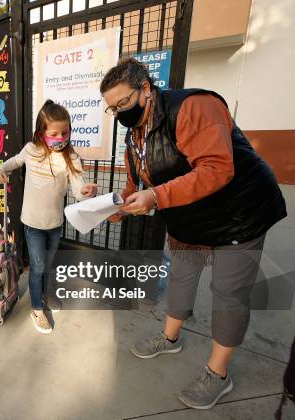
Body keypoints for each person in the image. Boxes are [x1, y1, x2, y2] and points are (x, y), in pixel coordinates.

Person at [100, 58, 286, 410]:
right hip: (188, 217)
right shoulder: (134, 133)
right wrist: (118, 206)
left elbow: (217, 169)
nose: (120, 112)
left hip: (239, 214)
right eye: (113, 108)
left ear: (146, 89)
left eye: (123, 103)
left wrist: (156, 197)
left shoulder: (193, 107)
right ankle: (170, 337)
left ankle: (218, 374)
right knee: (182, 277)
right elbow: (138, 183)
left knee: (228, 294)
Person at [0, 100, 98, 334]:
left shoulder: (71, 158)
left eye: (65, 132)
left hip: (54, 225)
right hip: (32, 224)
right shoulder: (31, 150)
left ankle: (44, 294)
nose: (61, 137)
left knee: (47, 265)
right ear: (42, 132)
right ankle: (36, 308)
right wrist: (1, 170)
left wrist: (84, 192)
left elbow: (77, 188)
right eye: (54, 133)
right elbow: (13, 162)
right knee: (38, 267)